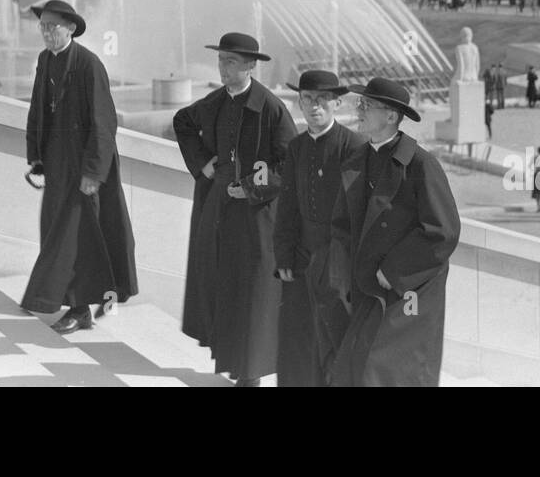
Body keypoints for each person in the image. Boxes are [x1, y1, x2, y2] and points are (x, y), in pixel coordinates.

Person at [175, 32, 296, 386]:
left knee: (253, 289)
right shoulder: (214, 101)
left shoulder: (272, 108)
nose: (223, 68)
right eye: (221, 60)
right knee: (223, 283)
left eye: (231, 62)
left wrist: (252, 189)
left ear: (250, 66)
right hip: (219, 209)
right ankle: (231, 360)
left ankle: (251, 372)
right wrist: (202, 165)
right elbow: (183, 122)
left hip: (256, 215)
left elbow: (289, 164)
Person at [327, 78, 460, 386]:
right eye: (360, 104)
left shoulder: (421, 165)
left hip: (411, 289)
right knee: (353, 366)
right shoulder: (358, 160)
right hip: (367, 284)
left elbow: (443, 231)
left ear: (390, 116)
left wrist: (394, 270)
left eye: (366, 106)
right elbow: (343, 225)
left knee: (387, 368)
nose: (358, 111)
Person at [20, 0, 138, 333]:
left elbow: (105, 123)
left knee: (76, 237)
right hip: (58, 165)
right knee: (57, 232)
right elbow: (38, 111)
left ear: (70, 28)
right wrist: (37, 156)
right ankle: (63, 299)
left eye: (52, 27)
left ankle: (78, 308)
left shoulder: (89, 65)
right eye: (42, 27)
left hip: (84, 165)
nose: (46, 33)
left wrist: (93, 174)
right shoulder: (45, 61)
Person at [273, 70, 367, 387]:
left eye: (322, 100)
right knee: (299, 337)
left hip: (337, 260)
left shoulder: (353, 147)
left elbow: (358, 213)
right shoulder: (297, 147)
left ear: (337, 103)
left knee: (334, 335)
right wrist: (283, 256)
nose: (314, 106)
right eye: (307, 99)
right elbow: (286, 207)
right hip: (300, 259)